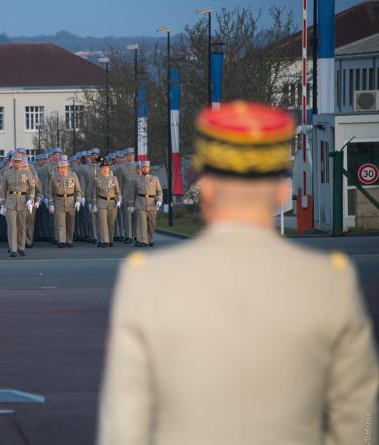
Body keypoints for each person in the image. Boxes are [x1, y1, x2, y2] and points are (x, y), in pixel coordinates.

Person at [97, 101, 378, 445]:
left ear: (208, 190)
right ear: (282, 193)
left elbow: (125, 423)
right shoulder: (330, 282)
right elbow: (361, 420)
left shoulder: (147, 281)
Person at [0, 152, 35, 257]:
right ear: (12, 162)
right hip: (10, 201)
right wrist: (2, 204)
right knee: (12, 226)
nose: (17, 163)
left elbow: (32, 187)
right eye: (15, 161)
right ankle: (13, 249)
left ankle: (21, 247)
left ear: (22, 162)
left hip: (23, 200)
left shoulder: (27, 173)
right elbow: (3, 189)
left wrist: (30, 199)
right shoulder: (7, 173)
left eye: (19, 161)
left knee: (22, 226)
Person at [47, 155, 82, 248]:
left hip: (70, 201)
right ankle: (61, 241)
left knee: (70, 222)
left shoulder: (73, 175)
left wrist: (78, 201)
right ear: (58, 168)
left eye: (64, 167)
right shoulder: (54, 176)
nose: (62, 169)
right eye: (60, 168)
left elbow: (78, 190)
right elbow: (50, 192)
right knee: (60, 223)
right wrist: (51, 204)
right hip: (59, 201)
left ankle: (69, 240)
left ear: (67, 167)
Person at [128, 160, 163, 247]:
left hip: (152, 203)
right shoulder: (136, 179)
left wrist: (159, 200)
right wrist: (131, 205)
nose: (145, 169)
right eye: (143, 167)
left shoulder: (155, 179)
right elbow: (132, 193)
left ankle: (150, 239)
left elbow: (159, 192)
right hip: (140, 202)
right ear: (141, 168)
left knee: (152, 224)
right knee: (142, 223)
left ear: (149, 168)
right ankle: (144, 241)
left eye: (147, 167)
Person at [93, 161, 121, 247]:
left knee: (111, 222)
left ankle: (110, 239)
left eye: (107, 167)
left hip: (112, 202)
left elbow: (118, 192)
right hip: (102, 202)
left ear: (109, 169)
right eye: (103, 168)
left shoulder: (114, 179)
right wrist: (94, 204)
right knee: (103, 222)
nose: (105, 169)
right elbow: (95, 193)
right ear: (100, 169)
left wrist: (119, 200)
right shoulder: (97, 179)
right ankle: (104, 241)